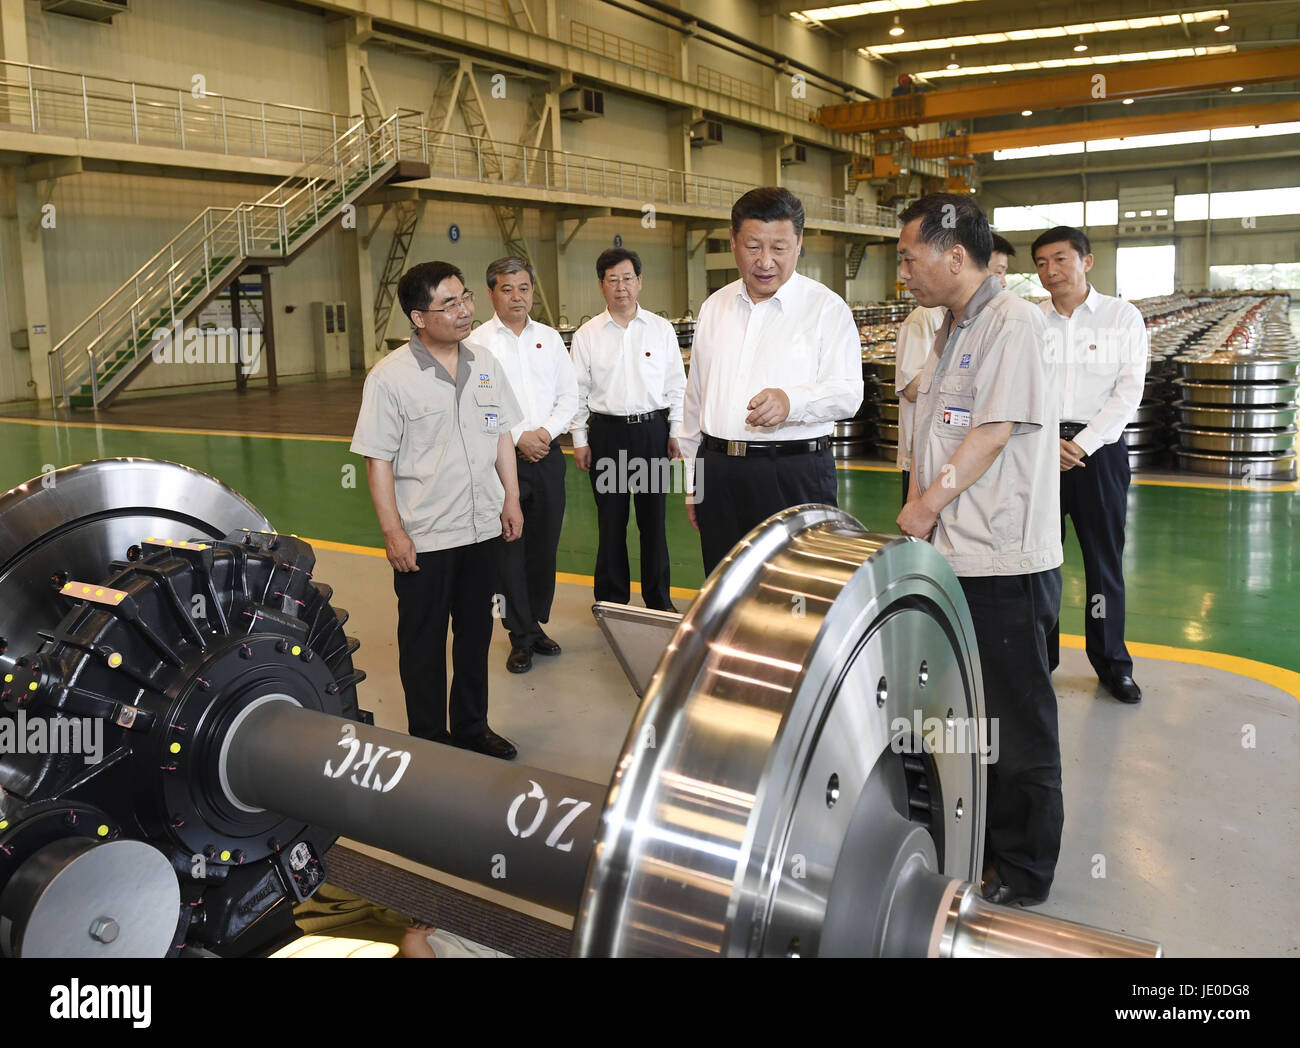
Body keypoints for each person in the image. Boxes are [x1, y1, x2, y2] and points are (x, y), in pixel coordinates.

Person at [894, 193, 1063, 908]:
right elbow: (931, 428)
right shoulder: (948, 327)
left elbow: (990, 432)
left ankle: (1024, 871)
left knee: (1016, 723)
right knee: (967, 714)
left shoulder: (1012, 323)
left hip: (1003, 560)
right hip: (953, 553)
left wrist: (925, 508)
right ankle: (983, 842)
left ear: (952, 254)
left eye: (909, 256)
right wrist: (916, 513)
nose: (902, 270)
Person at [350, 261, 523, 761]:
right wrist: (393, 532)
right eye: (449, 304)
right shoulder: (390, 378)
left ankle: (472, 727)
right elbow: (377, 457)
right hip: (425, 536)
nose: (465, 310)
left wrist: (509, 497)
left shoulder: (486, 362)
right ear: (418, 317)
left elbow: (502, 434)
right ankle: (428, 739)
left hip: (482, 527)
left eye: (464, 297)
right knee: (423, 643)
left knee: (476, 634)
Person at [679, 187, 863, 575]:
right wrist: (694, 481)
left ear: (799, 244)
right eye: (752, 246)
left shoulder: (826, 309)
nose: (765, 262)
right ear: (732, 242)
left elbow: (849, 393)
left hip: (793, 473)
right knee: (723, 585)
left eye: (779, 248)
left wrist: (791, 401)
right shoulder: (715, 307)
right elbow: (695, 400)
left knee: (796, 588)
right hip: (718, 470)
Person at [1033, 226, 1146, 704]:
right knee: (1038, 561)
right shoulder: (1028, 320)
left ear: (1087, 262)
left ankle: (1112, 665)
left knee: (1103, 563)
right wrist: (1044, 440)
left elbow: (1128, 392)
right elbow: (1018, 386)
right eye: (1040, 263)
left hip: (1098, 456)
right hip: (1036, 451)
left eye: (1060, 259)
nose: (1051, 271)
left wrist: (1080, 444)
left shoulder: (1121, 318)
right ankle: (1041, 661)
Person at [467, 257, 577, 675]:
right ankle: (519, 635)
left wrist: (545, 433)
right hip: (499, 461)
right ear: (492, 293)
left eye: (524, 288)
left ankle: (536, 623)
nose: (518, 296)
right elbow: (483, 406)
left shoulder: (549, 339)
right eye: (508, 289)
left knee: (543, 546)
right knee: (508, 548)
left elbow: (569, 395)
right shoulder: (477, 345)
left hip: (547, 456)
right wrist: (517, 438)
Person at [570, 247, 685, 612]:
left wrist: (675, 430)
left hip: (652, 434)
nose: (621, 287)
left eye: (628, 278)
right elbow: (577, 391)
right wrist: (579, 439)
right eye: (613, 280)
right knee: (611, 522)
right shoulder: (587, 335)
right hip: (607, 436)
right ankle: (611, 600)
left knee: (653, 523)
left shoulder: (660, 329)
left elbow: (676, 385)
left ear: (640, 282)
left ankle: (659, 600)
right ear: (601, 285)